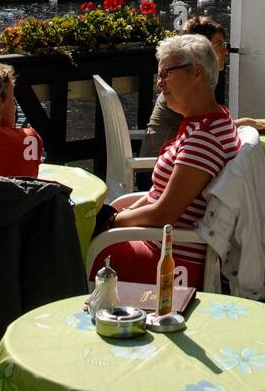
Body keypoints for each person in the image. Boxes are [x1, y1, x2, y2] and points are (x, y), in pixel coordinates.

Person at [91, 35, 240, 288]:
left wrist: (111, 222)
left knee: (73, 250)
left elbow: (164, 213)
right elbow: (158, 197)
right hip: (162, 244)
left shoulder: (205, 138)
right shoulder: (208, 123)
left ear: (197, 73)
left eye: (166, 74)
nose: (160, 84)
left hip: (171, 260)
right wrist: (122, 215)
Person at [140, 17, 228, 157]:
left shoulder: (186, 86)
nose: (225, 52)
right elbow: (208, 131)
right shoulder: (180, 92)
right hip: (153, 167)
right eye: (219, 45)